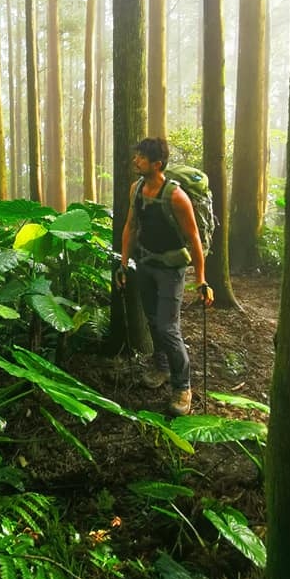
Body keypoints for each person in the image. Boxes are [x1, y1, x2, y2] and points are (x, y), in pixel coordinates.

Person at [117, 137, 214, 416]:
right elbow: (130, 226)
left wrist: (201, 279)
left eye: (141, 158)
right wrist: (124, 263)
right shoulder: (136, 190)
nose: (136, 161)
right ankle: (160, 366)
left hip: (171, 270)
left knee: (168, 328)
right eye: (136, 156)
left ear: (157, 164)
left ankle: (183, 387)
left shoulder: (176, 196)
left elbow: (194, 239)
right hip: (145, 263)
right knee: (151, 321)